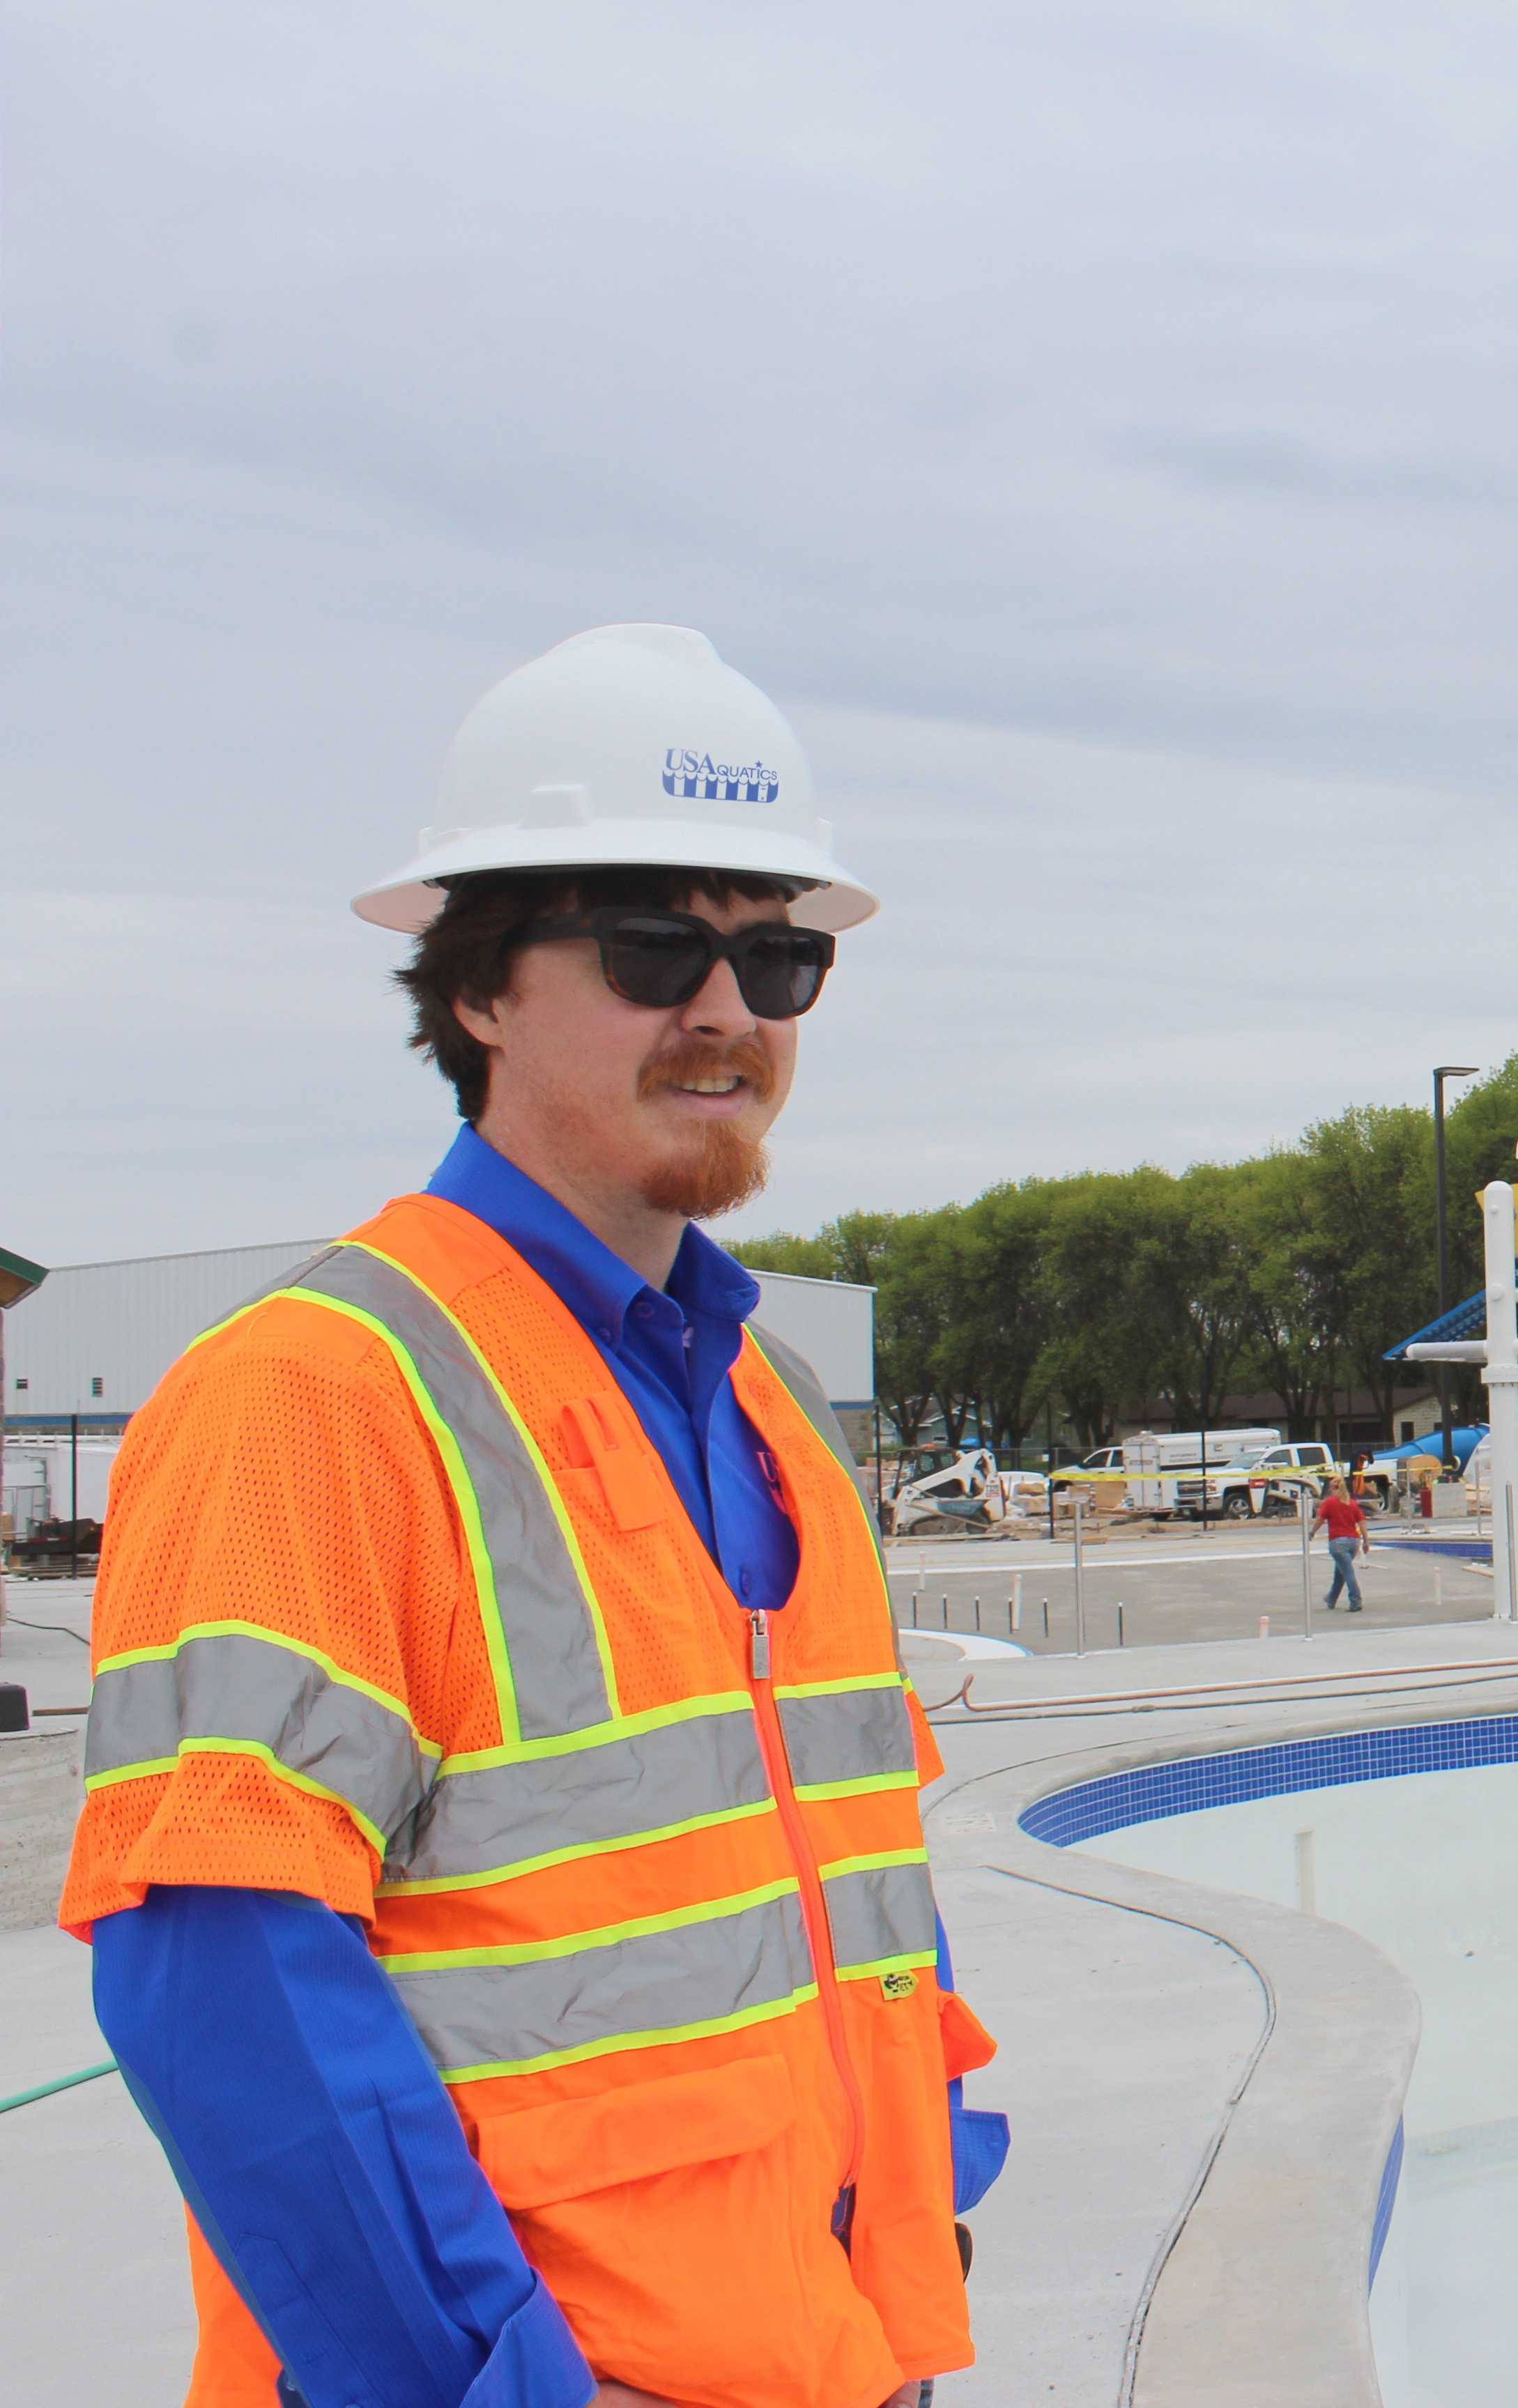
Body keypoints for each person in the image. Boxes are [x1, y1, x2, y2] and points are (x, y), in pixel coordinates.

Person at [61, 625, 1000, 2408]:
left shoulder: (768, 1401)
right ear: (479, 986)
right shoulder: (318, 1394)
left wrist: (916, 2221)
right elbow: (226, 1985)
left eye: (777, 954)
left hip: (836, 2348)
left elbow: (840, 1884)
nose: (726, 1009)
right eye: (657, 946)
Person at [1312, 1478, 1370, 1611]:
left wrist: (1312, 1532)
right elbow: (1362, 1523)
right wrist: (1366, 1541)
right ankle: (1331, 1599)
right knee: (1340, 1572)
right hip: (1353, 1542)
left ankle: (1356, 1601)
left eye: (1330, 1489)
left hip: (1338, 1542)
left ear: (1334, 1489)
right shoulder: (1352, 1503)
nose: (1330, 1492)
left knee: (1348, 1572)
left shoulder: (1329, 1503)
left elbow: (1320, 1520)